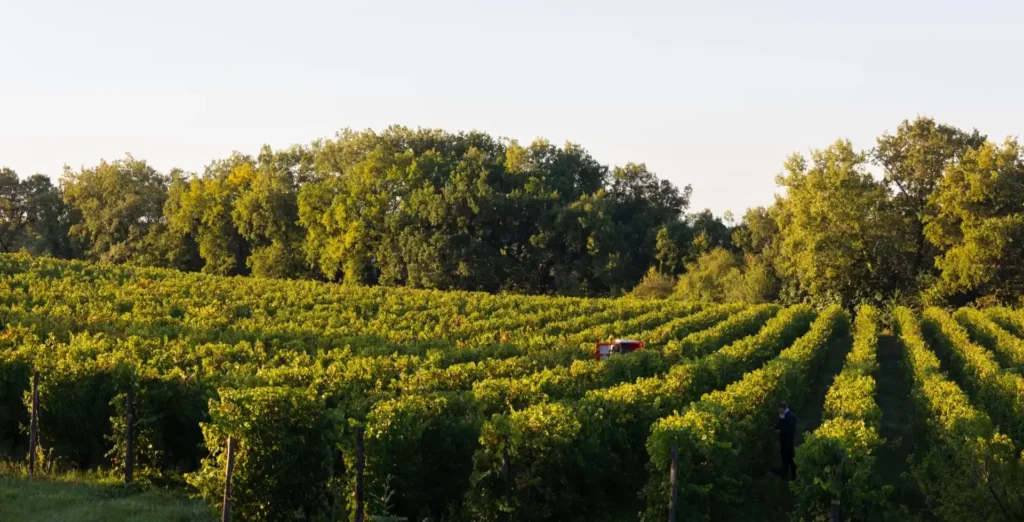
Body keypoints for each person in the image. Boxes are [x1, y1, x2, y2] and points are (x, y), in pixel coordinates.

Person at [775, 400, 797, 480]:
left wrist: (781, 431)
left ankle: (794, 474)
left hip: (788, 439)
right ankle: (785, 473)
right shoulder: (782, 415)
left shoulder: (791, 417)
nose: (778, 411)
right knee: (784, 456)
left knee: (790, 456)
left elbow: (790, 429)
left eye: (779, 409)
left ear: (783, 408)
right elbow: (778, 424)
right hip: (783, 439)